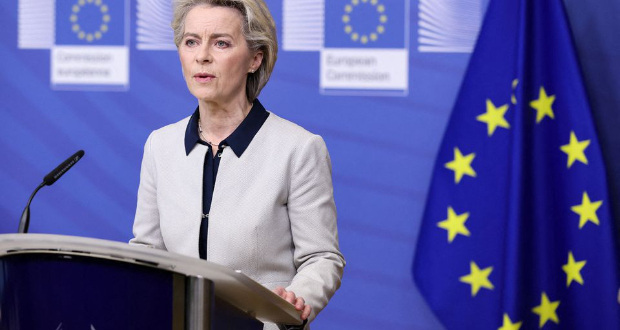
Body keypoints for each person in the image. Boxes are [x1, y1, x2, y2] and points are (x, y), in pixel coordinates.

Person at [129, 0, 345, 328]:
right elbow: (147, 252)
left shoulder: (298, 148)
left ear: (255, 59)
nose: (202, 55)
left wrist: (297, 299)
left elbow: (321, 258)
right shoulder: (160, 145)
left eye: (221, 43)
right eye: (191, 42)